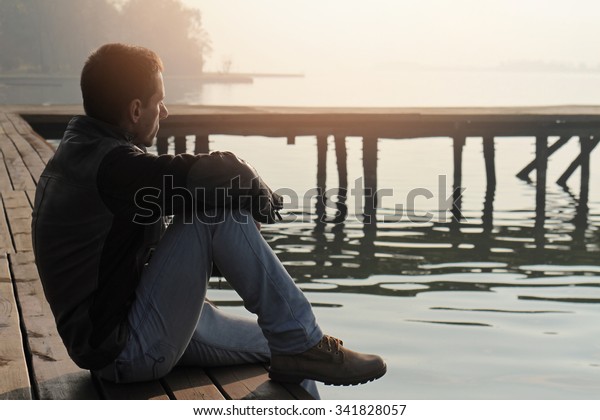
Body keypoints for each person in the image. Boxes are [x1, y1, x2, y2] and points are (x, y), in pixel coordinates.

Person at [31, 43, 386, 391]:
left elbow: (139, 241)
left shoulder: (82, 153)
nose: (165, 112)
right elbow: (217, 171)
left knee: (284, 345)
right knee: (214, 212)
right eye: (159, 102)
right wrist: (256, 192)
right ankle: (302, 341)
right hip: (125, 349)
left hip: (137, 325)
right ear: (136, 110)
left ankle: (302, 344)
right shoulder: (112, 167)